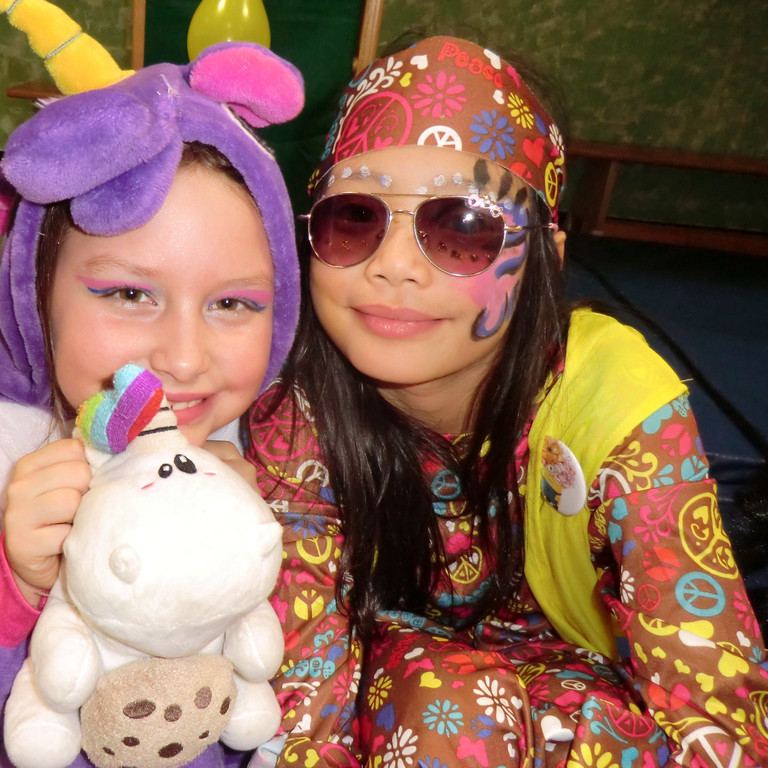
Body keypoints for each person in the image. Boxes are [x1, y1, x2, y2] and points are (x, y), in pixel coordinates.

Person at [245, 35, 768, 767]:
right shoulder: (293, 409)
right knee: (449, 706)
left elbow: (719, 716)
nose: (393, 266)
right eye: (354, 217)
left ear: (545, 257)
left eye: (463, 228)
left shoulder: (611, 399)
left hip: (585, 697)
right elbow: (305, 708)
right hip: (391, 687)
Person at [0, 1, 304, 765]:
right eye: (129, 293)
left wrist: (269, 564)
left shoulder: (282, 429)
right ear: (36, 286)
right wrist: (5, 586)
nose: (184, 360)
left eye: (233, 304)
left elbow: (310, 704)